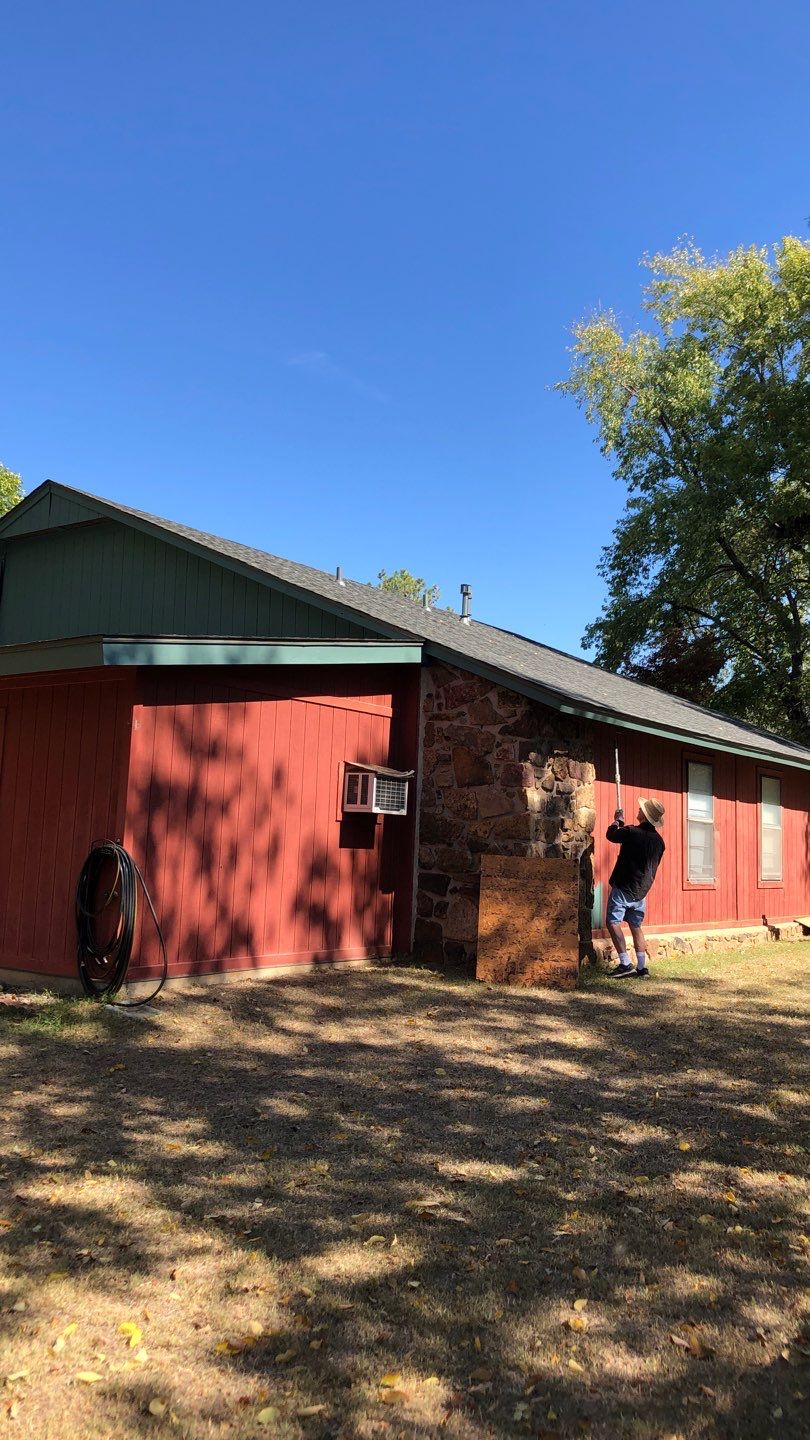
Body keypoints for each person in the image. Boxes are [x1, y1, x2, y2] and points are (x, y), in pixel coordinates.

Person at [604, 797, 666, 978]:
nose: (638, 811)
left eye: (641, 810)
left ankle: (625, 963)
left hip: (624, 886)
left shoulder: (631, 832)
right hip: (641, 891)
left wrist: (617, 821)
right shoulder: (659, 842)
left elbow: (612, 835)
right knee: (635, 925)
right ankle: (641, 968)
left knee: (613, 922)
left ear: (644, 816)